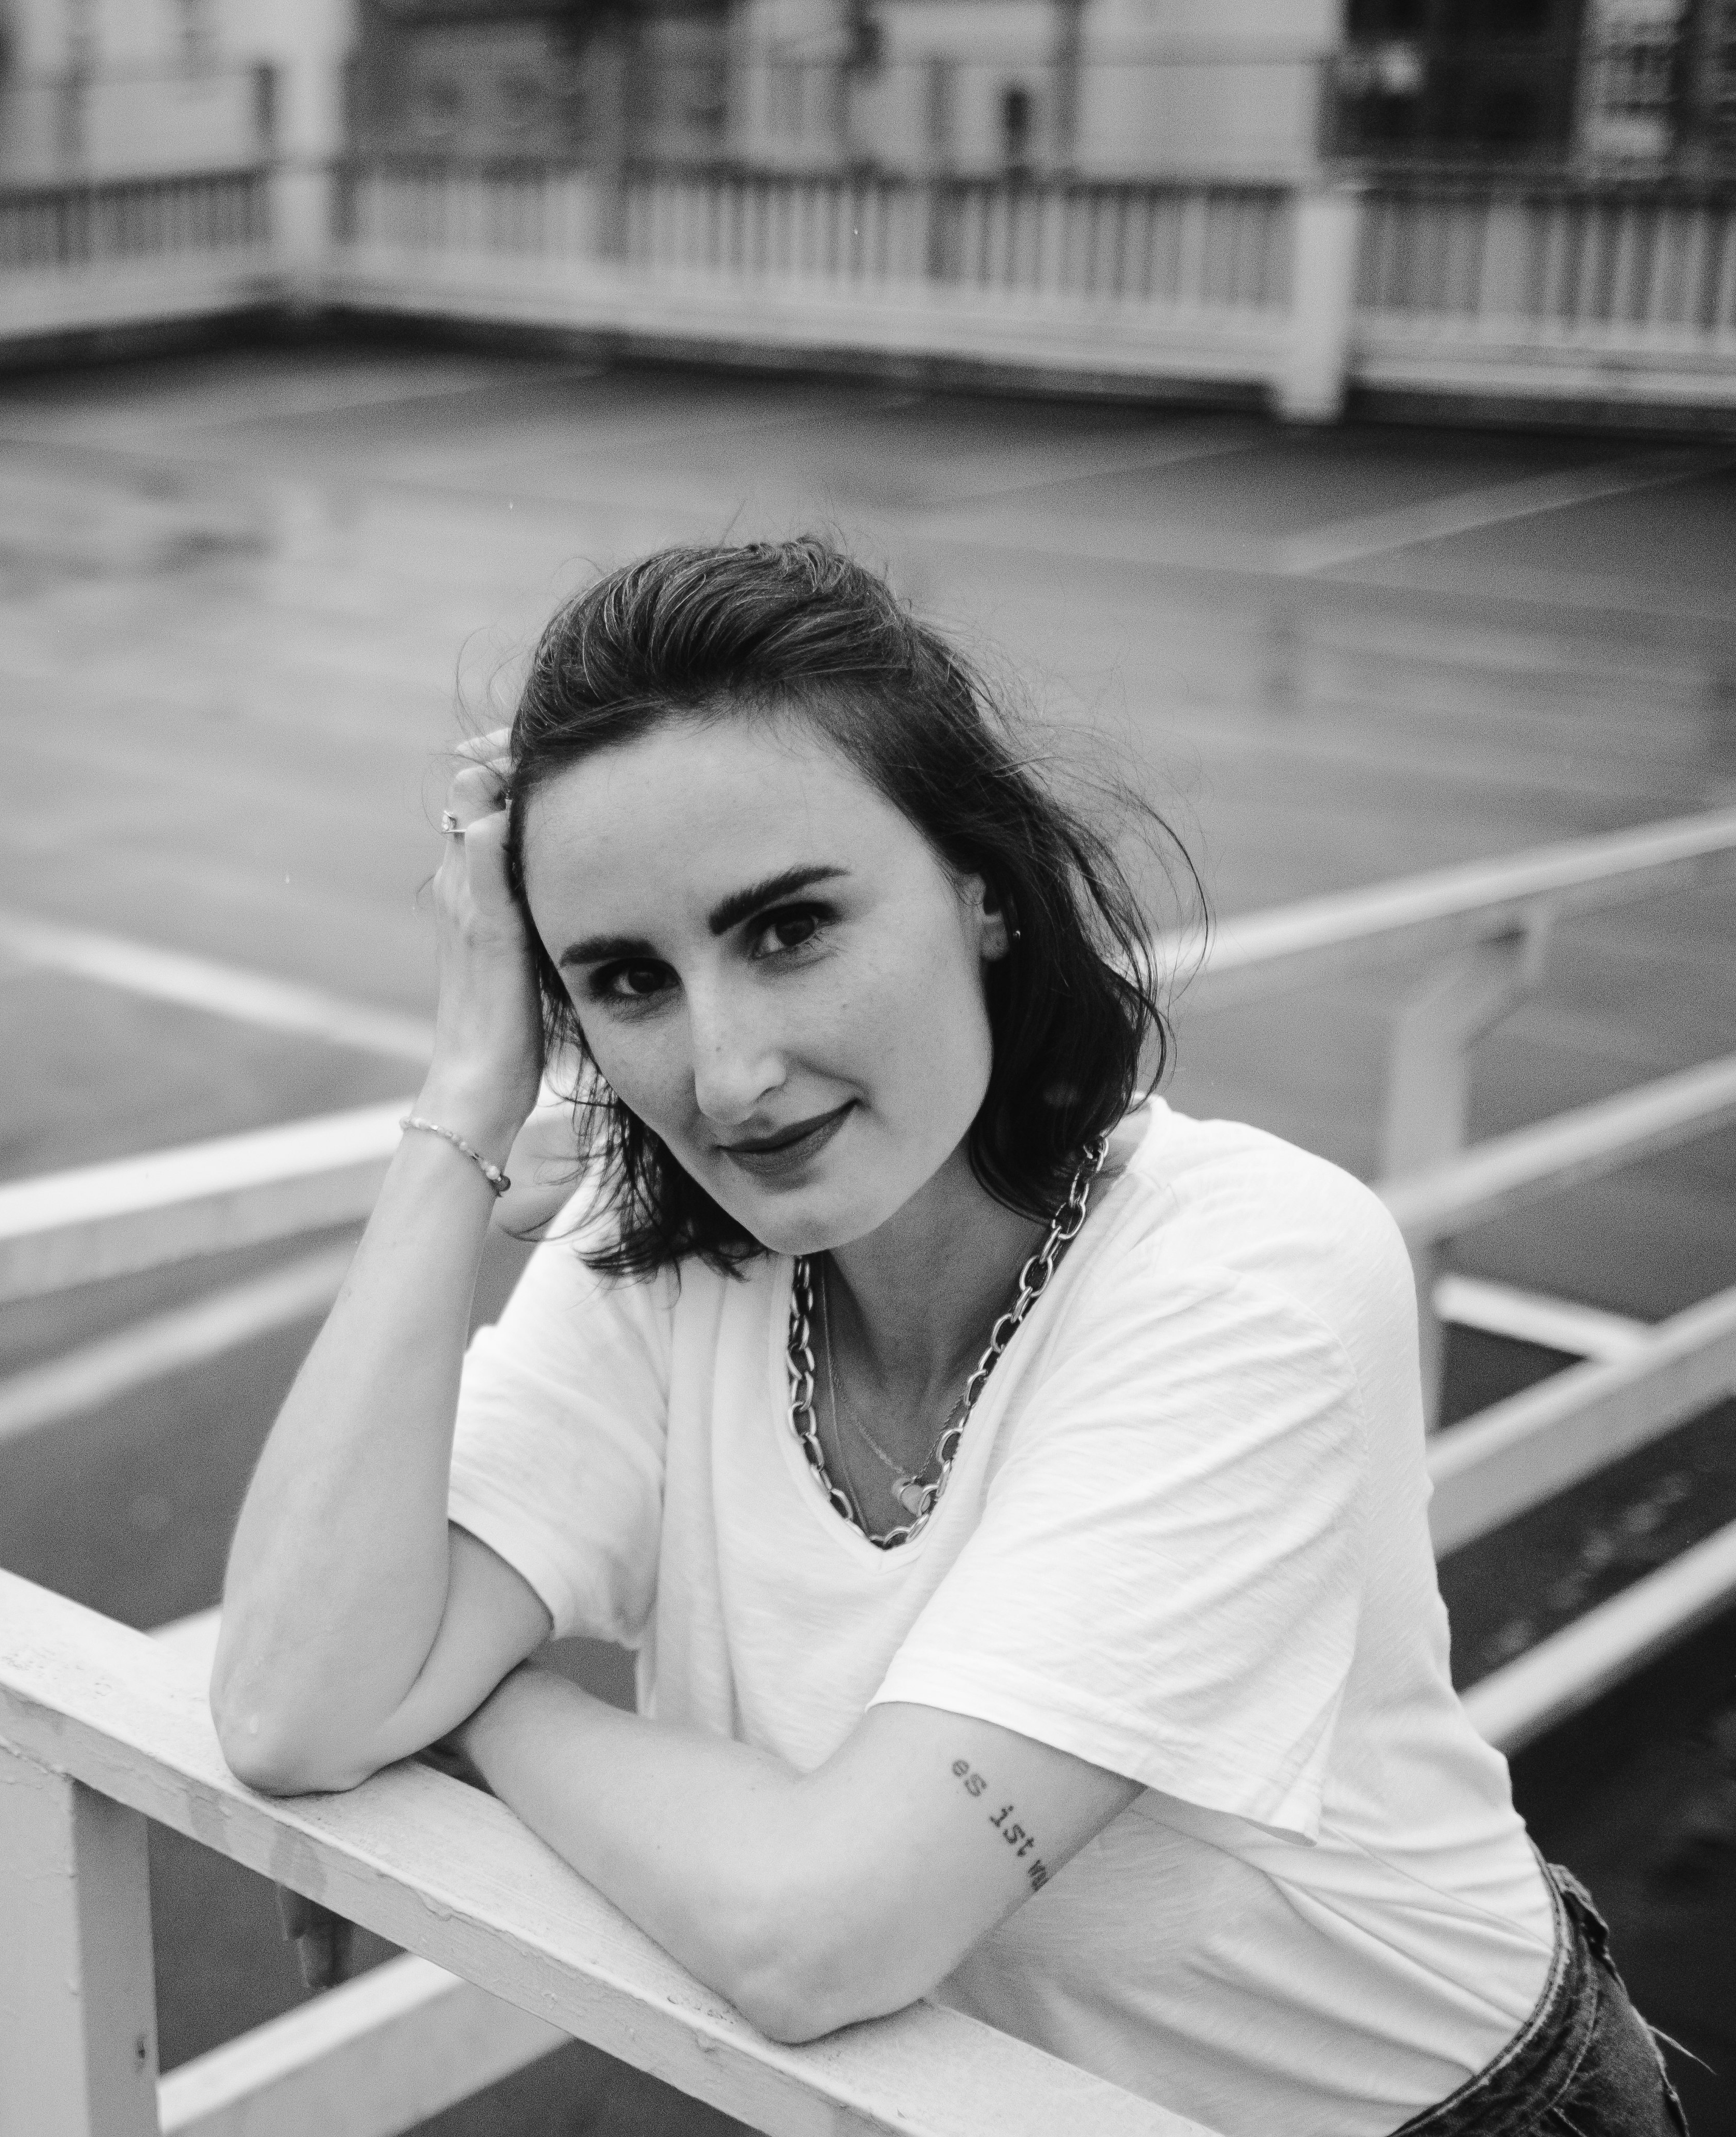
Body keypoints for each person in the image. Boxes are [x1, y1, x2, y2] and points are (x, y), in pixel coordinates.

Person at [211, 542, 1686, 2137]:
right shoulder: (664, 1264)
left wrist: (468, 1708)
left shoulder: (1250, 1272)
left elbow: (821, 1931)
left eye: (787, 930)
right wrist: (465, 1096)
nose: (725, 1077)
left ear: (981, 889)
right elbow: (294, 1703)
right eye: (627, 980)